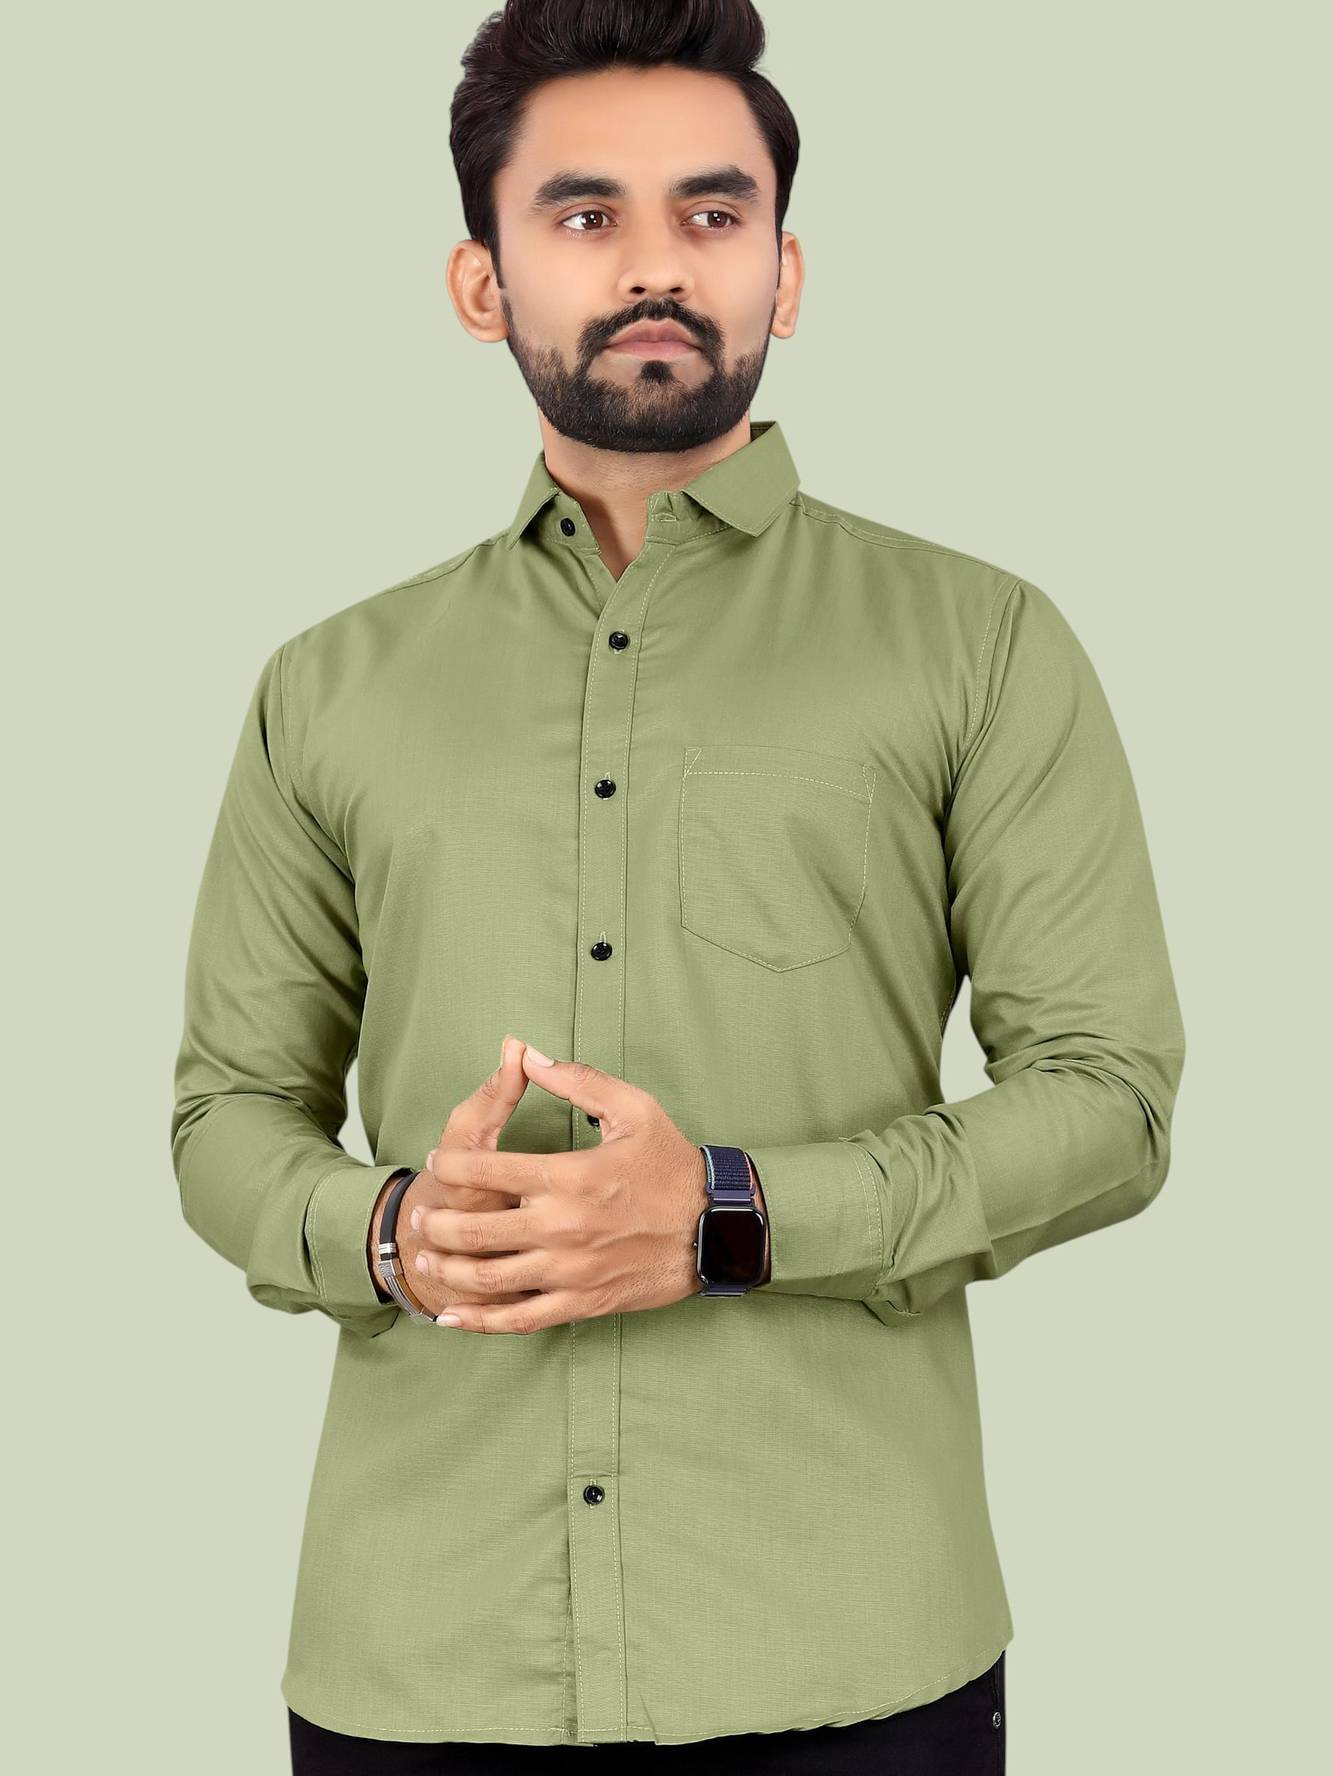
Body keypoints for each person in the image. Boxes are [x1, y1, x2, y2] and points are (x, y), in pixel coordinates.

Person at [170, 2, 1185, 1770]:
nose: (656, 265)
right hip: (423, 1651)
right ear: (482, 281)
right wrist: (396, 1236)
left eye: (712, 213)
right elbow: (223, 1121)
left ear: (783, 272)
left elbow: (1110, 1103)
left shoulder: (982, 643)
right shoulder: (326, 688)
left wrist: (730, 1213)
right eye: (585, 215)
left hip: (847, 1650)